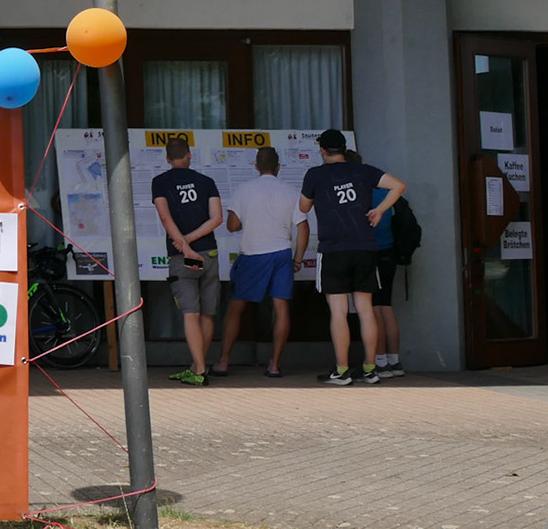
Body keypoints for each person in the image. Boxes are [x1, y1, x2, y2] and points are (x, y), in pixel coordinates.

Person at [300, 129, 405, 385]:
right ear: (344, 149)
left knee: (339, 312)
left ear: (322, 150)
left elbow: (303, 207)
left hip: (333, 249)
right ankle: (370, 368)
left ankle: (342, 370)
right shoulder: (364, 171)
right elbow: (399, 186)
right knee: (366, 309)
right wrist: (379, 210)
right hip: (364, 247)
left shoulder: (315, 174)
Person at [212, 146, 304, 379]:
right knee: (281, 308)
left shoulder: (243, 190)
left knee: (236, 308)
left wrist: (250, 219)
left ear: (256, 166)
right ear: (278, 167)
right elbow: (303, 228)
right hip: (282, 253)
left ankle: (223, 362)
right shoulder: (292, 191)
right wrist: (298, 259)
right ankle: (274, 365)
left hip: (253, 255)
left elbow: (232, 226)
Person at [150, 137, 223, 387]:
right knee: (207, 314)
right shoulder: (206, 181)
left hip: (183, 257)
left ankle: (199, 369)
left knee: (191, 313)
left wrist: (184, 244)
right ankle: (197, 366)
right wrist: (191, 241)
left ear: (167, 158)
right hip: (208, 254)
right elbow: (217, 219)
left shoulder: (160, 182)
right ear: (189, 155)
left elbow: (165, 217)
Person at [352, 149, 407, 378]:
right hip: (389, 252)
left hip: (371, 254)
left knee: (373, 308)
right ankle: (395, 361)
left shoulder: (360, 194)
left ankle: (380, 362)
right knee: (386, 306)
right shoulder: (384, 192)